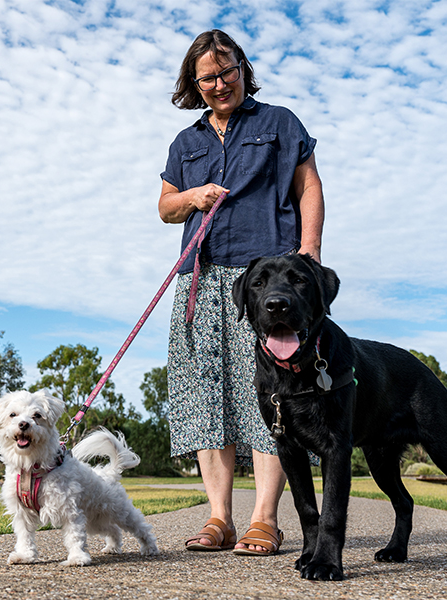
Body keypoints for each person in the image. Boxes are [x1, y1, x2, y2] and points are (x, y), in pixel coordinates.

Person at [159, 29, 324, 555]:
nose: (217, 83)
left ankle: (264, 520)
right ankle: (218, 518)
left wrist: (310, 252)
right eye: (205, 77)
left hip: (265, 280)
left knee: (270, 399)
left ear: (242, 68)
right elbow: (165, 208)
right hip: (200, 281)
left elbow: (309, 185)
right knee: (206, 397)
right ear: (193, 82)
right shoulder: (186, 142)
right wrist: (192, 195)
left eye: (225, 72)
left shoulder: (278, 122)